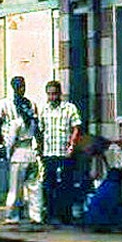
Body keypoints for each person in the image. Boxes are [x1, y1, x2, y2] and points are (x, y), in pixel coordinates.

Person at [0, 76, 44, 229]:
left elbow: (11, 140)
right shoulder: (30, 121)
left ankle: (12, 215)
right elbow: (38, 131)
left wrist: (6, 151)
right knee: (34, 186)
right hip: (31, 153)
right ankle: (36, 215)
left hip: (18, 153)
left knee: (15, 187)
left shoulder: (17, 123)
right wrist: (39, 149)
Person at [38, 80, 83, 226]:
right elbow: (40, 130)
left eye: (54, 94)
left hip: (64, 152)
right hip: (49, 152)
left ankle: (66, 214)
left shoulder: (69, 108)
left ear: (60, 93)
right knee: (49, 184)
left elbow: (76, 127)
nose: (52, 97)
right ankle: (51, 213)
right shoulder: (44, 109)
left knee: (66, 184)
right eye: (49, 94)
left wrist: (72, 146)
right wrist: (40, 150)